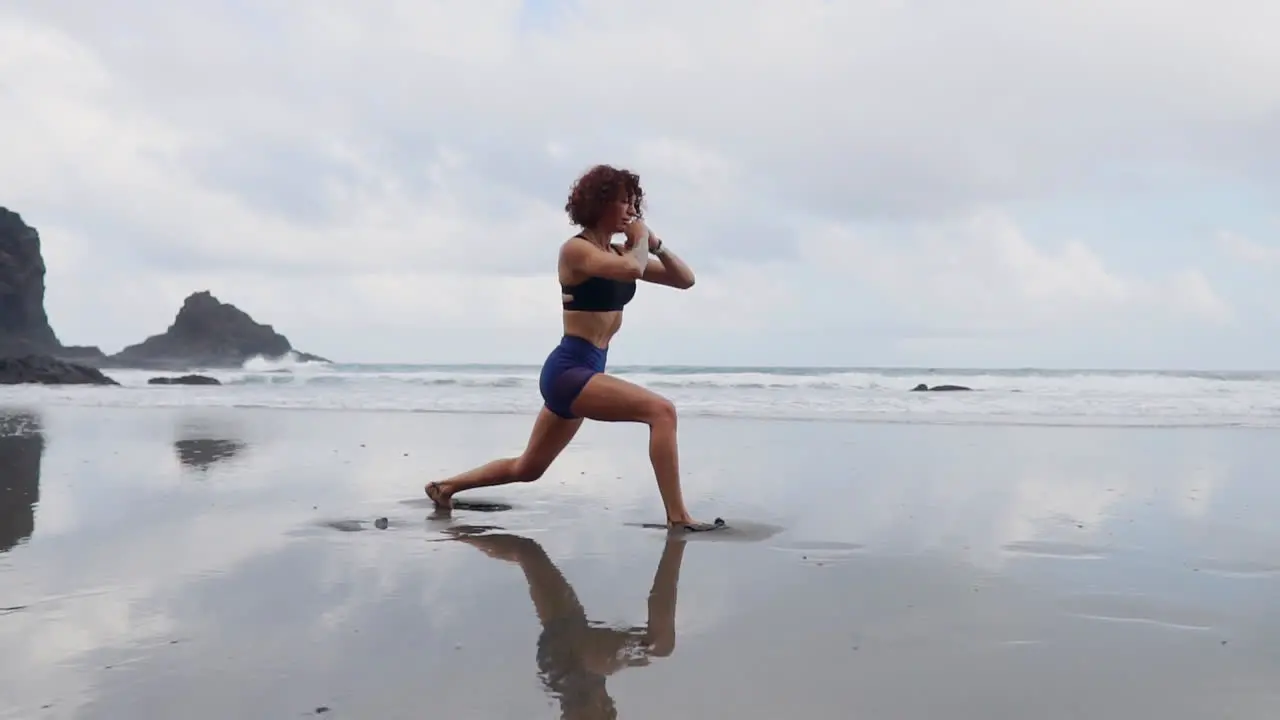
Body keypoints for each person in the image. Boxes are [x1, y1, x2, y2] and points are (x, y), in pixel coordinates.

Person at [425, 164, 723, 532]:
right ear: (599, 204)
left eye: (634, 203)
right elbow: (631, 269)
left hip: (588, 371)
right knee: (662, 412)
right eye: (623, 202)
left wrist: (656, 243)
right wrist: (642, 240)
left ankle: (446, 487)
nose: (631, 210)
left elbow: (685, 280)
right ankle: (678, 517)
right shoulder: (576, 252)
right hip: (569, 372)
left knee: (528, 468)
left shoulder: (620, 252)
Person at [446, 528, 689, 719]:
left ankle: (677, 541)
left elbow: (581, 701)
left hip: (572, 658)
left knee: (660, 644)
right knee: (527, 552)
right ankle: (457, 534)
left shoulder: (577, 694)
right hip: (564, 646)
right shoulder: (573, 692)